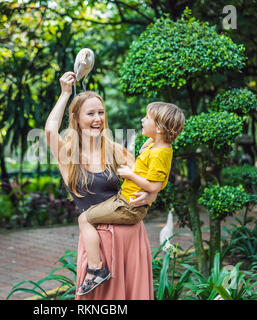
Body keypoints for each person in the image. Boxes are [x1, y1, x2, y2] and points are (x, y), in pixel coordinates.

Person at [45, 71, 157, 299]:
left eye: (101, 112)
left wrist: (150, 197)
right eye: (90, 114)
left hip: (130, 237)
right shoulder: (68, 155)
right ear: (76, 118)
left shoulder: (116, 150)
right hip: (99, 242)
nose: (98, 119)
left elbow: (147, 183)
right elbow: (49, 130)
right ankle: (97, 270)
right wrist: (65, 93)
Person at [76, 101, 185, 296]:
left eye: (147, 118)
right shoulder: (157, 145)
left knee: (84, 219)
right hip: (124, 200)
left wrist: (130, 175)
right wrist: (149, 142)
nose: (142, 120)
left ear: (159, 128)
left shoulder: (160, 152)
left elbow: (154, 185)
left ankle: (96, 269)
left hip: (128, 206)